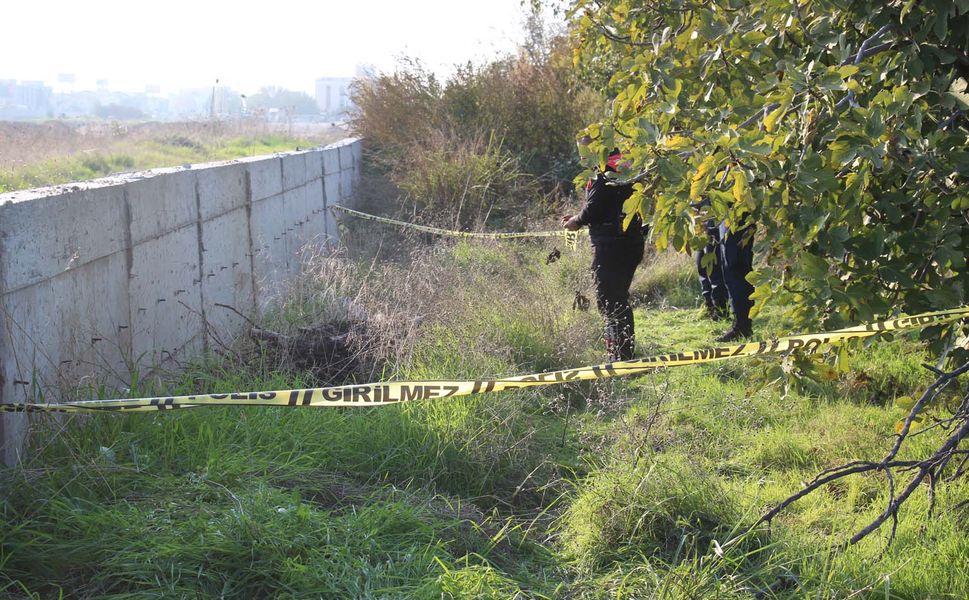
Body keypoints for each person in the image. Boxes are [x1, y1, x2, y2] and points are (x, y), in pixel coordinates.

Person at [562, 148, 645, 361]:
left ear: (597, 149)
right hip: (628, 241)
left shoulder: (605, 170)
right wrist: (582, 217)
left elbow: (595, 207)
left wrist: (577, 221)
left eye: (583, 150)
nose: (581, 156)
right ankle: (619, 353)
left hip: (612, 244)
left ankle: (621, 357)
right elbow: (605, 205)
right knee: (616, 299)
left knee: (610, 301)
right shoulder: (625, 164)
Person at [714, 222, 755, 342]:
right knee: (734, 270)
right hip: (730, 215)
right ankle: (742, 325)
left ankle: (742, 327)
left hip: (735, 215)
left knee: (735, 270)